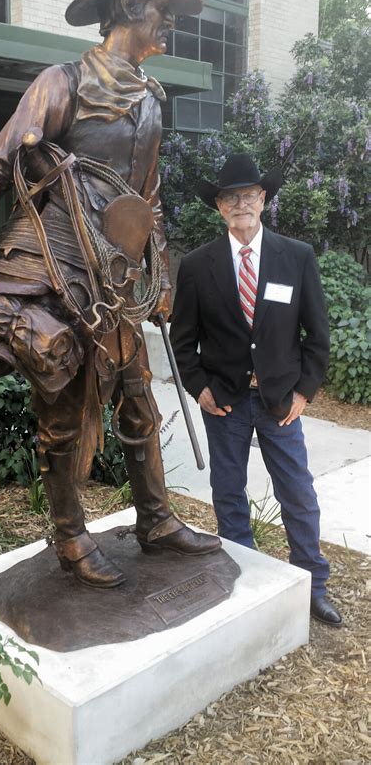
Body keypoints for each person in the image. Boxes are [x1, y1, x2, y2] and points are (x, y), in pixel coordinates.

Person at [0, 0, 221, 590]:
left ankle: (156, 520)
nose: (169, 23)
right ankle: (71, 535)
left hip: (119, 278)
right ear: (132, 6)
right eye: (162, 10)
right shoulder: (63, 83)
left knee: (139, 400)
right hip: (56, 267)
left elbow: (149, 197)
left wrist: (157, 271)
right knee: (71, 406)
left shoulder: (152, 99)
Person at [169, 153, 342, 627]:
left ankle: (313, 584)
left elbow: (317, 336)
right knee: (228, 495)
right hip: (223, 403)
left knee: (298, 494)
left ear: (262, 199)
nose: (240, 203)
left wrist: (304, 393)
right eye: (230, 197)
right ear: (219, 207)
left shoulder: (297, 257)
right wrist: (199, 387)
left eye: (248, 194)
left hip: (280, 403)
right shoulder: (198, 266)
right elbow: (182, 340)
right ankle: (243, 584)